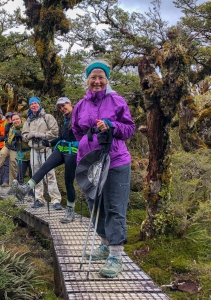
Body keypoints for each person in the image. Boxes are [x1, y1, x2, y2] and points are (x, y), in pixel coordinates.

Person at [72, 60, 135, 278]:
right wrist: (86, 145)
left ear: (107, 79)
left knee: (114, 205)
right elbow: (76, 129)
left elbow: (129, 129)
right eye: (93, 77)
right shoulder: (81, 104)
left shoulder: (116, 101)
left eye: (101, 77)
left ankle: (116, 255)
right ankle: (105, 244)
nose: (97, 81)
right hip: (90, 161)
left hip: (116, 159)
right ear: (87, 80)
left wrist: (112, 126)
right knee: (94, 202)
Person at [10, 97, 78, 222]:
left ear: (70, 103)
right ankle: (26, 189)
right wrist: (49, 143)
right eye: (60, 107)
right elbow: (62, 136)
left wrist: (43, 137)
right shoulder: (64, 119)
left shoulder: (77, 116)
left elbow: (57, 133)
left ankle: (68, 208)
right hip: (57, 149)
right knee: (43, 169)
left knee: (67, 181)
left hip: (72, 151)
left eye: (64, 105)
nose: (63, 108)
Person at [20, 96, 62, 209]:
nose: (34, 105)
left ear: (39, 104)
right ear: (29, 106)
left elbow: (55, 132)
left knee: (50, 174)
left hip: (46, 148)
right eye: (31, 104)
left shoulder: (47, 117)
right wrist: (29, 135)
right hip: (33, 149)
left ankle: (56, 200)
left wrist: (43, 135)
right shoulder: (28, 120)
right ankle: (39, 198)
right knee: (35, 174)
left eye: (35, 103)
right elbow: (24, 135)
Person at [0, 112, 30, 187]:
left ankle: (12, 185)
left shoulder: (25, 125)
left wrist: (20, 136)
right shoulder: (10, 126)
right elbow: (7, 136)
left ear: (20, 118)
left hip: (16, 148)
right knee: (2, 153)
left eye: (16, 119)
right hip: (8, 145)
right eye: (10, 118)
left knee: (13, 164)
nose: (14, 120)